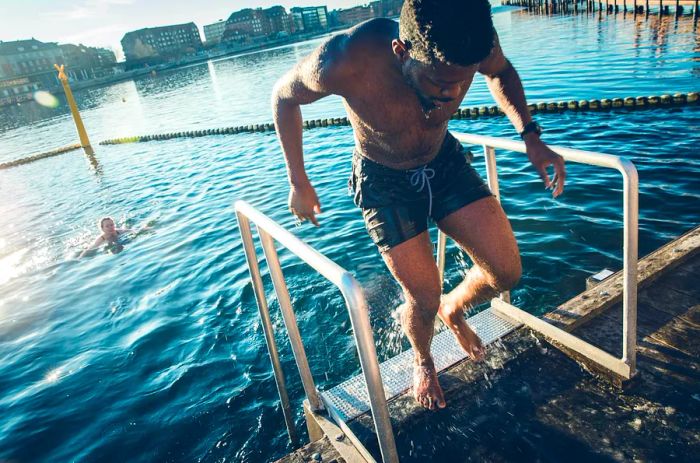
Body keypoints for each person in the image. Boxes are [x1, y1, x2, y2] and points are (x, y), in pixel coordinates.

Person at [271, 0, 566, 410]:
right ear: (401, 51)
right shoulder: (345, 59)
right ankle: (423, 359)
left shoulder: (474, 41)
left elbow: (501, 71)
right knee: (422, 296)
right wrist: (298, 181)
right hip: (383, 179)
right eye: (437, 82)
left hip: (443, 161)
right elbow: (283, 97)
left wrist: (531, 136)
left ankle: (455, 308)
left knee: (506, 272)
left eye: (460, 83)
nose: (449, 94)